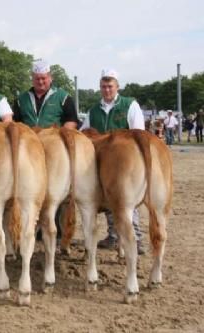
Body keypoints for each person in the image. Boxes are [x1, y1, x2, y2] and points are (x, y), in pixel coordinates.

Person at [81, 68, 146, 255]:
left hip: (126, 162)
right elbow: (84, 132)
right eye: (103, 86)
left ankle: (137, 238)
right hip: (101, 160)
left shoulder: (130, 105)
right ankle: (114, 235)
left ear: (117, 86)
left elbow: (139, 133)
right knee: (109, 198)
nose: (106, 90)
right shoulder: (94, 110)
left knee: (127, 198)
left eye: (110, 86)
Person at [14, 60, 79, 242]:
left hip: (54, 151)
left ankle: (55, 227)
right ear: (32, 78)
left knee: (55, 189)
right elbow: (16, 124)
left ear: (50, 78)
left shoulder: (63, 97)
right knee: (30, 187)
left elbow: (72, 121)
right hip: (29, 152)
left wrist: (58, 138)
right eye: (37, 79)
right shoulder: (21, 99)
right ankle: (30, 228)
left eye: (43, 78)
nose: (40, 82)